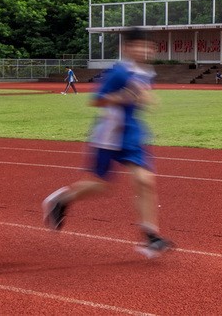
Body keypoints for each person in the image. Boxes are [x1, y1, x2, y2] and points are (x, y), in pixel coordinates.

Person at [42, 27, 172, 258]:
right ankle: (61, 200)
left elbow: (140, 97)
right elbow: (96, 101)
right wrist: (123, 97)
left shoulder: (147, 71)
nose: (145, 50)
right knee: (101, 185)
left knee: (145, 180)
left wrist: (145, 98)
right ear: (127, 48)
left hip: (131, 131)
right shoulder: (118, 73)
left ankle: (151, 236)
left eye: (147, 46)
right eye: (139, 45)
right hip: (109, 134)